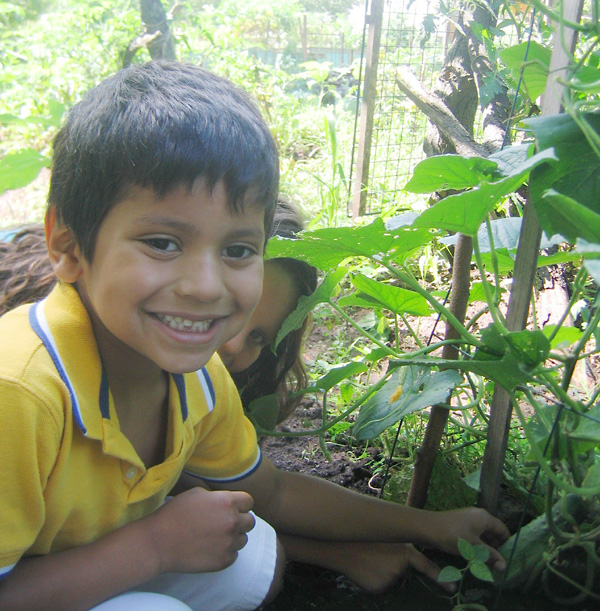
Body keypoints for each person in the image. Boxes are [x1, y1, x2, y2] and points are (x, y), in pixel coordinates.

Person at [0, 60, 510, 611]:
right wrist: (151, 546)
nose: (205, 286)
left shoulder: (196, 379)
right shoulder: (18, 393)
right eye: (163, 243)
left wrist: (432, 525)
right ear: (69, 247)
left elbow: (276, 492)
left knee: (250, 560)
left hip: (79, 561)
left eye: (238, 250)